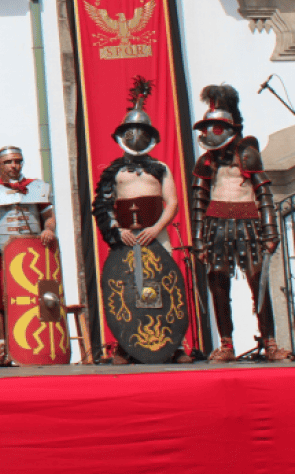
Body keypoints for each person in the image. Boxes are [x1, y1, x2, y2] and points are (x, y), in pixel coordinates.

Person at [91, 76, 191, 365]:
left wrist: (156, 228)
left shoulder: (160, 168)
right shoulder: (113, 171)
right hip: (126, 237)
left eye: (140, 132)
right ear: (124, 135)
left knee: (164, 283)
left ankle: (176, 344)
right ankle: (124, 345)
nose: (136, 137)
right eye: (131, 132)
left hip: (155, 235)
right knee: (125, 287)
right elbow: (104, 204)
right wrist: (117, 230)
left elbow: (171, 203)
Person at [190, 84, 292, 363]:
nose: (210, 133)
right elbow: (199, 202)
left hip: (248, 226)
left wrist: (270, 230)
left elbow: (263, 194)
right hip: (216, 227)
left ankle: (269, 342)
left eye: (216, 127)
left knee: (258, 282)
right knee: (218, 284)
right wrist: (198, 240)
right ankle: (226, 344)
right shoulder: (205, 162)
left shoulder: (246, 153)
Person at [0, 146, 54, 366]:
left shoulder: (36, 187)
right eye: (8, 162)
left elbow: (49, 216)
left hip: (34, 256)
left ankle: (38, 344)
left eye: (17, 161)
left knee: (39, 300)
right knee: (3, 303)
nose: (14, 166)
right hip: (2, 254)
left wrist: (49, 229)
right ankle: (5, 348)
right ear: (0, 165)